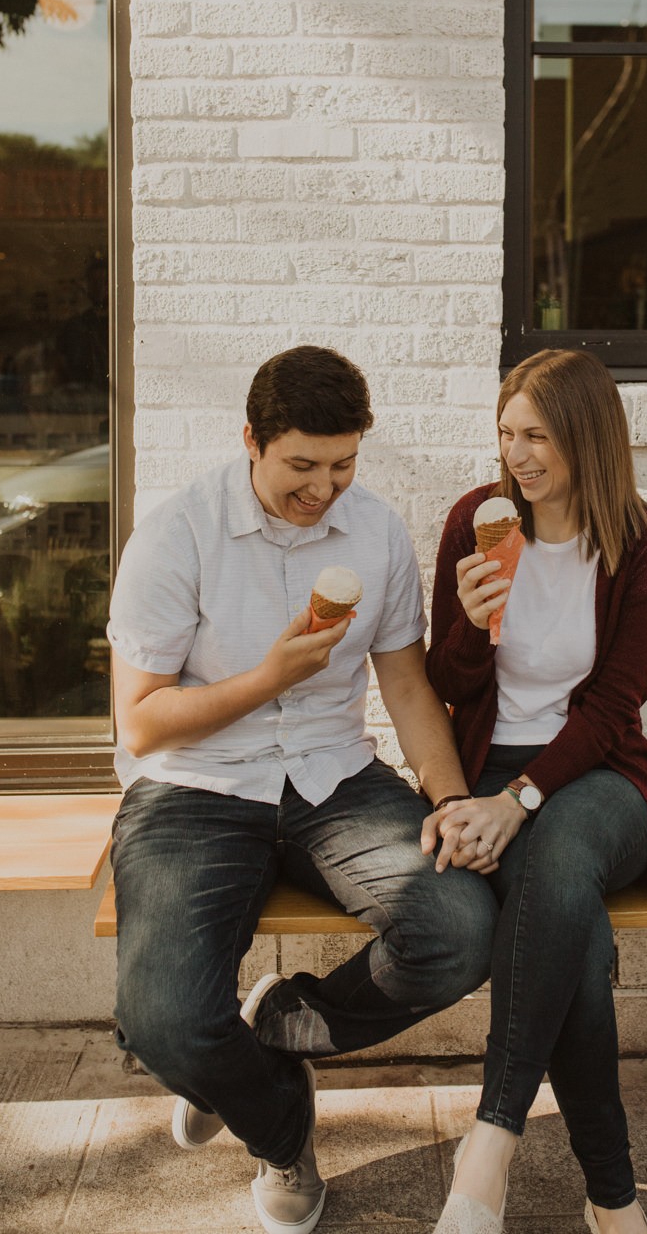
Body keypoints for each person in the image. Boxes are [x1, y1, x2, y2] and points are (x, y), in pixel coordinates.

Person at [107, 345, 496, 1234]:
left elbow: (404, 685)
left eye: (344, 464)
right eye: (302, 467)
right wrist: (267, 675)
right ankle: (279, 1125)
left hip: (334, 778)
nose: (324, 488)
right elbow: (141, 723)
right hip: (196, 786)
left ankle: (283, 1020)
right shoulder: (179, 533)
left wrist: (447, 800)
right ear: (251, 440)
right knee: (163, 1022)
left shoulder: (377, 531)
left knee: (460, 929)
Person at [425, 349, 647, 1234]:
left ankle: (490, 1146)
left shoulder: (645, 544)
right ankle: (612, 1196)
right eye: (507, 435)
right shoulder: (478, 520)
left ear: (586, 435)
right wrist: (469, 625)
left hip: (603, 772)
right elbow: (447, 682)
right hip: (489, 768)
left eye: (538, 435)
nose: (519, 456)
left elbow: (617, 705)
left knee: (565, 850)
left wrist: (520, 801)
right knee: (569, 936)